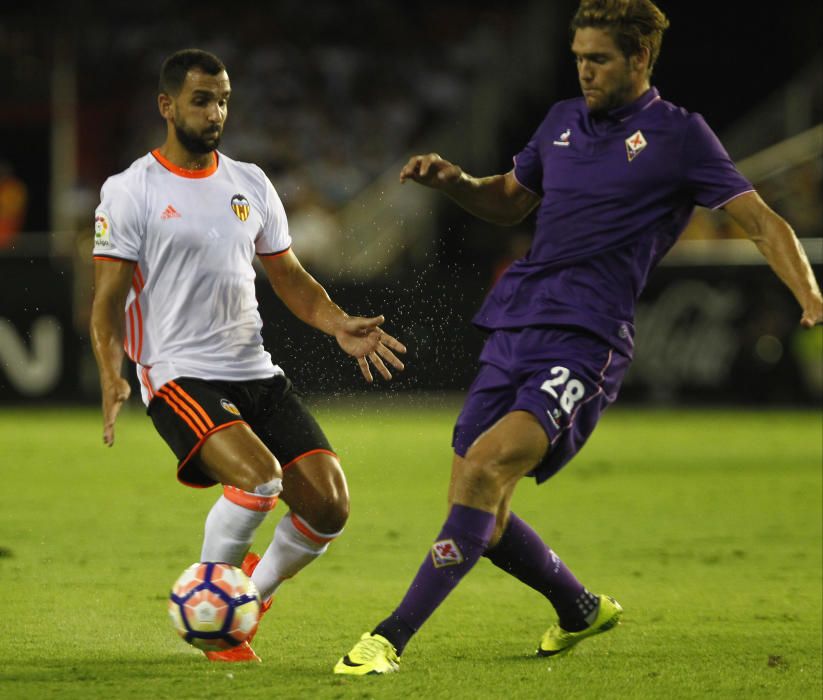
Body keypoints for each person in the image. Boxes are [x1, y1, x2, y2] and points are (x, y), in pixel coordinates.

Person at [334, 0, 823, 675]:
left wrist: (808, 293)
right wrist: (456, 184)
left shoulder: (681, 136)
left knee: (484, 470)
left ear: (640, 59)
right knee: (478, 504)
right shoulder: (561, 121)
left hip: (586, 338)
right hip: (515, 320)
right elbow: (508, 197)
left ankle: (387, 637)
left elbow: (763, 221)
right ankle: (579, 609)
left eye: (598, 59)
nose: (584, 72)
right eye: (577, 59)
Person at [90, 48, 406, 664]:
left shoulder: (250, 183)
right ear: (168, 105)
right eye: (202, 100)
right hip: (178, 373)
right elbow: (106, 302)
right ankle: (215, 624)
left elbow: (289, 276)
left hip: (254, 370)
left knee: (329, 506)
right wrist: (111, 373)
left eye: (224, 101)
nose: (216, 113)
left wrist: (337, 323)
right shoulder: (131, 190)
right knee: (261, 479)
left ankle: (246, 599)